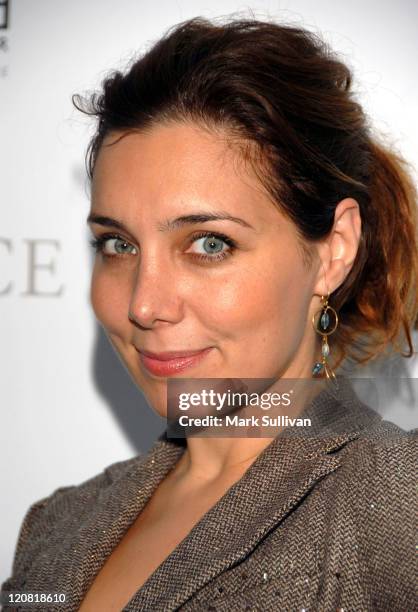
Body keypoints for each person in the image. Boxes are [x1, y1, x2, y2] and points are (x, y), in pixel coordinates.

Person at [1, 15, 417, 612]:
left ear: (333, 252)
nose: (144, 304)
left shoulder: (398, 506)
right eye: (118, 245)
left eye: (209, 244)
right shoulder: (58, 524)